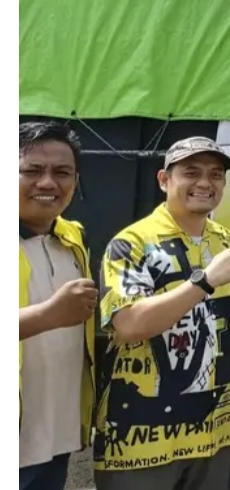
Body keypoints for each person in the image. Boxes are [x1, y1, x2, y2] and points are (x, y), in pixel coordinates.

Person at [94, 137, 230, 490]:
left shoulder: (227, 242)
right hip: (138, 438)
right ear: (164, 180)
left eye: (215, 174)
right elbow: (128, 324)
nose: (205, 183)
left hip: (213, 431)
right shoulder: (131, 243)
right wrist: (206, 281)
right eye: (191, 173)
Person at [18, 122, 97, 490]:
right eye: (32, 170)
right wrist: (49, 315)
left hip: (57, 437)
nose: (48, 183)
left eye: (62, 172)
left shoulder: (73, 238)